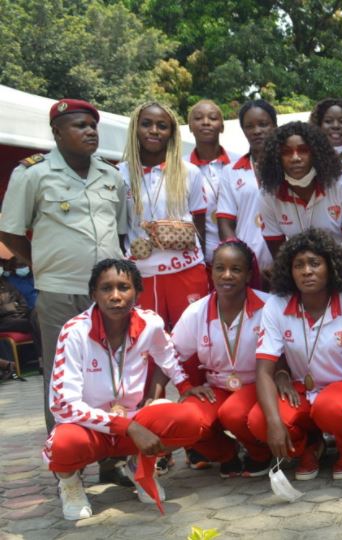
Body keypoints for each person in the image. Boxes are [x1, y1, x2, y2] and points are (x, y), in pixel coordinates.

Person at [0, 99, 129, 454]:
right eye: (80, 126)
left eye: (93, 125)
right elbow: (10, 233)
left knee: (112, 372)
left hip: (109, 295)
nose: (90, 132)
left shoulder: (111, 175)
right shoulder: (32, 174)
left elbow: (119, 232)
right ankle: (67, 461)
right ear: (57, 132)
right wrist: (39, 264)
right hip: (58, 292)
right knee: (62, 378)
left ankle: (112, 458)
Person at [43, 259, 202, 520]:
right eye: (106, 288)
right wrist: (128, 427)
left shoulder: (150, 323)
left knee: (188, 418)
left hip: (133, 419)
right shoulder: (74, 332)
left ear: (137, 292)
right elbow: (63, 405)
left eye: (124, 287)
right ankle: (70, 484)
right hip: (91, 428)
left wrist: (186, 386)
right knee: (64, 443)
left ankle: (139, 467)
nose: (116, 296)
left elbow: (168, 356)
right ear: (93, 294)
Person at [248, 229, 342, 480]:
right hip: (300, 389)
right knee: (259, 419)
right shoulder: (276, 306)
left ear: (331, 267)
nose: (307, 271)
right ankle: (308, 446)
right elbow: (264, 370)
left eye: (315, 263)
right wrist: (273, 422)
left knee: (331, 407)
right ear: (289, 272)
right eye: (298, 265)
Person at [170, 241, 270, 477]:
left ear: (247, 275)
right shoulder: (197, 311)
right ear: (211, 272)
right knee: (185, 420)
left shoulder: (269, 306)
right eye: (219, 268)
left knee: (234, 413)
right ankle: (227, 455)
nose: (227, 275)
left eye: (236, 269)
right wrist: (185, 387)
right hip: (217, 387)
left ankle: (260, 454)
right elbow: (170, 355)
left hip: (259, 385)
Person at [120, 101, 209, 329]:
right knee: (144, 343)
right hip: (141, 274)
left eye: (162, 126)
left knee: (191, 342)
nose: (154, 130)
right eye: (146, 124)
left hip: (186, 270)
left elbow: (199, 223)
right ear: (135, 129)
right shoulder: (119, 174)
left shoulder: (189, 171)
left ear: (171, 133)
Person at [257, 122, 342, 271]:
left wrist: (341, 284)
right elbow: (279, 257)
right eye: (286, 152)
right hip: (299, 271)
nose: (295, 158)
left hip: (341, 266)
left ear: (316, 153)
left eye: (303, 150)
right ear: (276, 158)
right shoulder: (268, 194)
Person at [217, 100, 278, 275]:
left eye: (263, 124)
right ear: (243, 130)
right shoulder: (231, 171)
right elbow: (225, 224)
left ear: (274, 125)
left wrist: (285, 261)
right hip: (248, 265)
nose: (257, 131)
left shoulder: (291, 166)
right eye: (249, 126)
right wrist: (241, 261)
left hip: (288, 262)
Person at [187, 100, 240, 272]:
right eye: (198, 118)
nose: (206, 122)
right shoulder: (181, 167)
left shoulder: (239, 162)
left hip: (240, 256)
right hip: (199, 259)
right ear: (189, 126)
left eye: (213, 118)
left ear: (222, 127)